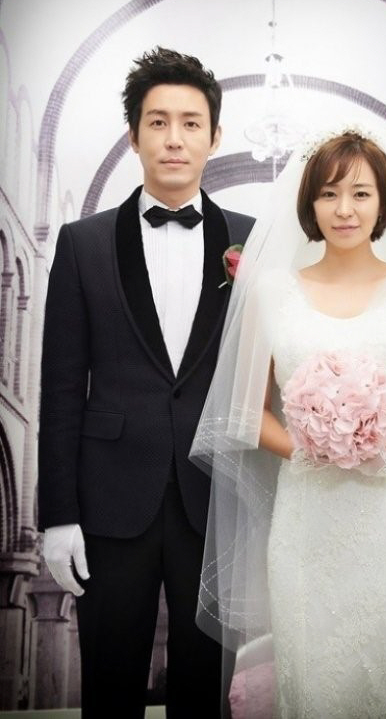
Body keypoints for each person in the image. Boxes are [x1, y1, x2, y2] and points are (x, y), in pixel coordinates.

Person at [191, 130, 386, 717]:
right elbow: (248, 412)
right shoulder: (270, 291)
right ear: (309, 203)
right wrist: (309, 448)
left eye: (361, 193)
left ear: (383, 201)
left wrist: (378, 453)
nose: (344, 209)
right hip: (307, 520)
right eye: (329, 194)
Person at [38, 47, 254, 718]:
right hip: (108, 502)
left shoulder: (255, 242)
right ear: (134, 136)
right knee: (109, 686)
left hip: (216, 500)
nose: (174, 138)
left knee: (206, 692)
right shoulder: (82, 243)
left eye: (191, 123)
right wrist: (58, 516)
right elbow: (60, 389)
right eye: (158, 122)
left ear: (215, 136)